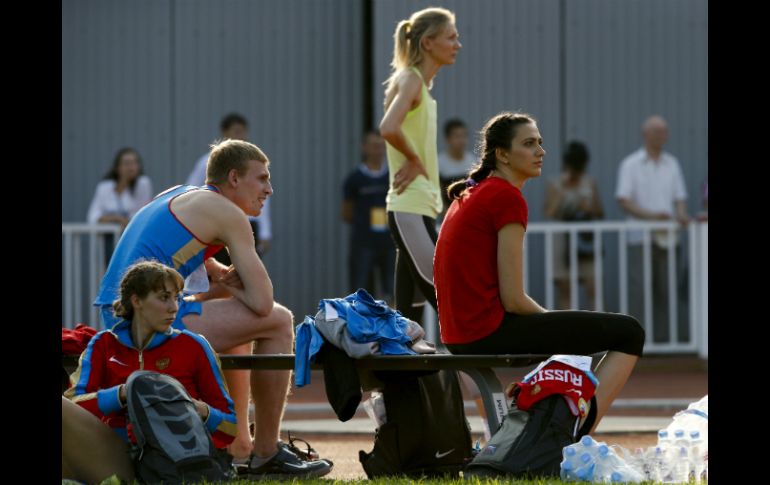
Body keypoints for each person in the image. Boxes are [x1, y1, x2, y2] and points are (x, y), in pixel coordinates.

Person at [93, 139, 332, 477]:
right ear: (234, 178)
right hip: (140, 320)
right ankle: (267, 453)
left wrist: (219, 275)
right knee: (278, 320)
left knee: (238, 329)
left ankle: (239, 445)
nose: (269, 190)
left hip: (120, 313)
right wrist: (233, 285)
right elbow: (262, 302)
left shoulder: (181, 194)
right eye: (262, 179)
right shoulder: (228, 213)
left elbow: (169, 253)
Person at [434, 112, 645, 433]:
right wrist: (554, 326)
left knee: (579, 333)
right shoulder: (505, 197)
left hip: (459, 335)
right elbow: (514, 300)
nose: (541, 151)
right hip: (484, 332)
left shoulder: (474, 192)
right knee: (630, 332)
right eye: (529, 143)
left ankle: (561, 424)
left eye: (540, 143)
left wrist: (556, 329)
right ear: (503, 154)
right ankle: (574, 435)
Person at [63, 261, 236, 484]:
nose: (174, 307)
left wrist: (198, 410)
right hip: (118, 457)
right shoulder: (103, 344)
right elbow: (74, 405)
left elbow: (231, 427)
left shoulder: (194, 346)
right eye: (164, 298)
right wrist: (123, 394)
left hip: (173, 463)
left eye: (177, 298)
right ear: (136, 301)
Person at [379, 6, 461, 323]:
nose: (457, 44)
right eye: (451, 37)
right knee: (447, 300)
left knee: (408, 315)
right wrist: (414, 159)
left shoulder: (420, 86)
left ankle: (401, 359)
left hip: (419, 208)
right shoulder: (411, 79)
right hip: (409, 207)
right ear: (427, 42)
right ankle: (477, 355)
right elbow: (388, 127)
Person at [615, 115, 690, 342]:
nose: (661, 136)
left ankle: (665, 341)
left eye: (664, 131)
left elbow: (679, 197)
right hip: (639, 237)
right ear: (645, 134)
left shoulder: (672, 163)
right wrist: (652, 217)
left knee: (667, 290)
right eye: (657, 131)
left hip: (668, 238)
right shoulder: (630, 164)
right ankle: (636, 343)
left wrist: (680, 215)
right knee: (639, 290)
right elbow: (624, 200)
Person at [187, 113, 272, 259]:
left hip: (248, 224)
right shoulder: (208, 161)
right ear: (225, 132)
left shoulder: (254, 162)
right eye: (236, 131)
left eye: (243, 131)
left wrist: (265, 231)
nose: (241, 136)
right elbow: (191, 191)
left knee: (246, 269)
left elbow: (262, 194)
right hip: (218, 225)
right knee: (220, 268)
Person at [544, 141, 604, 309]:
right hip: (562, 240)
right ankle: (568, 325)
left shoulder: (589, 183)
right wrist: (561, 193)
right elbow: (549, 212)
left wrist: (588, 208)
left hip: (585, 240)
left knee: (593, 287)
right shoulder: (554, 183)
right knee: (565, 290)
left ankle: (598, 324)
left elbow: (600, 212)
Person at [341, 130, 396, 302]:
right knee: (360, 290)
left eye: (381, 146)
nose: (378, 150)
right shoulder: (354, 179)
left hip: (389, 243)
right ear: (364, 148)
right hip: (363, 243)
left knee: (392, 290)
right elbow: (346, 213)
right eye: (373, 146)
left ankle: (390, 319)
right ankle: (360, 319)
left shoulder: (393, 178)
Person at [86, 147, 154, 263]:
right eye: (127, 163)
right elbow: (93, 217)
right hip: (109, 241)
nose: (131, 167)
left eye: (134, 163)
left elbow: (140, 215)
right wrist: (116, 218)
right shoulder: (104, 187)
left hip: (133, 240)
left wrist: (118, 219)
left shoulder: (143, 184)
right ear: (117, 168)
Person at [438, 118, 475, 215]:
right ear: (447, 139)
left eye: (464, 136)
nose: (461, 140)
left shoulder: (473, 161)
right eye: (457, 136)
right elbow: (438, 194)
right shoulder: (439, 164)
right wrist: (448, 214)